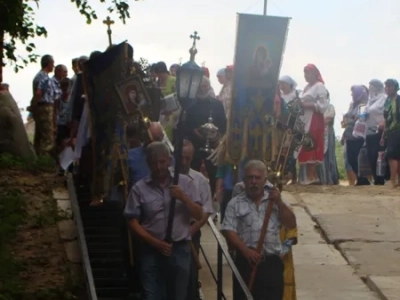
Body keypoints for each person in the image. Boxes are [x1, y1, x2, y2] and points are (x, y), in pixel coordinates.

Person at [124, 142, 203, 300]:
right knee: (151, 295)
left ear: (169, 161)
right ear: (148, 164)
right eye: (154, 163)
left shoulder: (185, 183)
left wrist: (183, 198)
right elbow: (132, 221)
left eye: (162, 162)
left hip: (179, 249)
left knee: (178, 296)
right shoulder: (139, 188)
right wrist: (155, 243)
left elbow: (199, 214)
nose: (159, 167)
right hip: (151, 252)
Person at [221, 160, 296, 300]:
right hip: (245, 263)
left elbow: (291, 223)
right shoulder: (235, 203)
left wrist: (279, 202)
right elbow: (228, 230)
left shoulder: (275, 200)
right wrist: (245, 251)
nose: (253, 181)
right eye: (250, 178)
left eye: (257, 178)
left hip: (271, 264)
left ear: (264, 180)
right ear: (244, 180)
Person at [180, 140, 213, 300]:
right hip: (170, 235)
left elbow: (206, 210)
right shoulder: (167, 175)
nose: (184, 161)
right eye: (181, 157)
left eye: (188, 158)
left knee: (191, 273)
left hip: (192, 232)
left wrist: (192, 230)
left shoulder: (200, 180)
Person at [185, 76, 226, 196]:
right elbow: (187, 124)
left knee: (214, 174)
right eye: (200, 87)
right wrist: (195, 132)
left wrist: (217, 136)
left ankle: (213, 199)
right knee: (192, 173)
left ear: (209, 87)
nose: (203, 90)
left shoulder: (217, 104)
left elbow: (223, 124)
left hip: (212, 146)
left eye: (205, 87)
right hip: (195, 145)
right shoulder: (191, 105)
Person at [297, 64, 328, 185]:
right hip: (305, 120)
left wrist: (308, 105)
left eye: (308, 73)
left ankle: (312, 176)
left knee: (311, 144)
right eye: (304, 73)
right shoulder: (306, 88)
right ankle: (309, 176)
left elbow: (323, 106)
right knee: (304, 145)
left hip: (314, 120)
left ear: (315, 74)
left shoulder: (319, 87)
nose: (306, 76)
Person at [30, 54, 59, 157]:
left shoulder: (40, 76)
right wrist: (35, 105)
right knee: (47, 138)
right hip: (45, 108)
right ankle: (44, 161)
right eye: (53, 64)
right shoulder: (43, 78)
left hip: (41, 107)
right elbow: (38, 93)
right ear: (49, 64)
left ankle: (37, 159)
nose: (53, 66)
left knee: (39, 136)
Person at [343, 85, 370, 185]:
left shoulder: (363, 105)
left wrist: (348, 120)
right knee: (350, 158)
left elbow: (360, 118)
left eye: (353, 92)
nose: (352, 95)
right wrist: (349, 119)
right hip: (349, 134)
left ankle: (362, 179)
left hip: (358, 135)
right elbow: (348, 116)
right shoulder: (352, 105)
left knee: (356, 157)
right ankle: (360, 178)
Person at [278, 75, 301, 184]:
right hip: (282, 127)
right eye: (280, 84)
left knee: (292, 151)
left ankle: (292, 176)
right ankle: (285, 174)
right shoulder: (280, 96)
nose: (281, 86)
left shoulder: (297, 94)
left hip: (294, 126)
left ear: (288, 84)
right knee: (283, 152)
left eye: (283, 83)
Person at [365, 79, 387, 185]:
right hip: (369, 131)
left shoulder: (384, 98)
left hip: (380, 131)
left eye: (371, 87)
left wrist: (384, 122)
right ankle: (376, 178)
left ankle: (383, 178)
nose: (370, 89)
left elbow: (388, 113)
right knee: (371, 156)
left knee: (380, 155)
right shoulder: (370, 100)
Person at [381, 79, 400, 188]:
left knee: (393, 156)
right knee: (394, 155)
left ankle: (392, 180)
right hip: (390, 131)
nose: (387, 88)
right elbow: (386, 120)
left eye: (389, 86)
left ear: (395, 87)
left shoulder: (399, 100)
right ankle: (396, 181)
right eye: (386, 86)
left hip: (398, 130)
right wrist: (383, 134)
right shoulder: (387, 101)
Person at [318, 102, 339, 184]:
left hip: (328, 133)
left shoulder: (330, 107)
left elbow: (328, 119)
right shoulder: (318, 108)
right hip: (318, 133)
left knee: (329, 156)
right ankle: (321, 178)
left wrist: (318, 122)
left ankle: (330, 178)